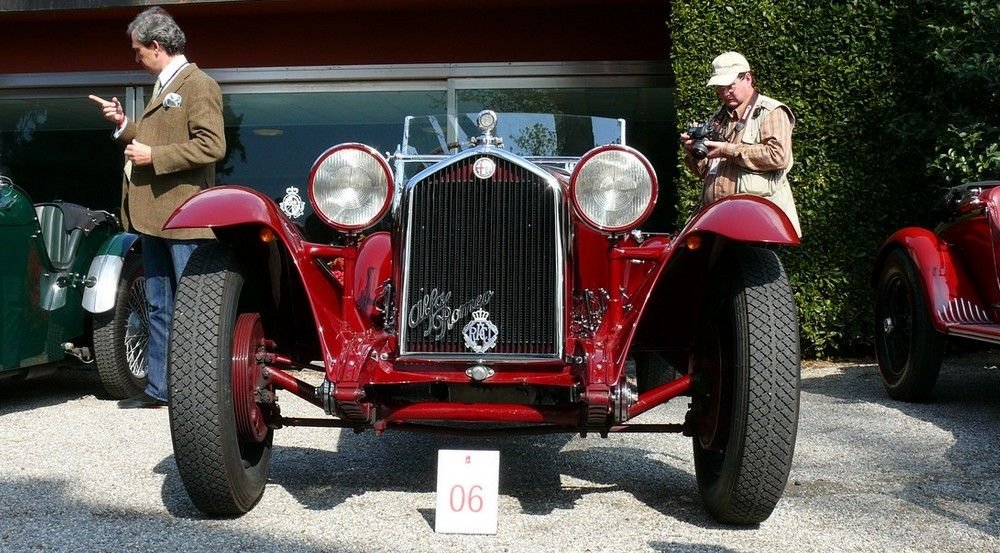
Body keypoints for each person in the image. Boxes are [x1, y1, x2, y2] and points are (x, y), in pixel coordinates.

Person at [89, 7, 225, 408]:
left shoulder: (199, 85)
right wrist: (123, 124)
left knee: (192, 312)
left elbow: (213, 145)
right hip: (155, 219)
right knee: (159, 305)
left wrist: (155, 155)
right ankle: (159, 389)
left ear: (157, 46)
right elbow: (152, 138)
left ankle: (197, 397)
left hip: (185, 219)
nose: (136, 58)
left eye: (137, 51)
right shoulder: (166, 84)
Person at [681, 51, 801, 237]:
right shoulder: (718, 118)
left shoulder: (770, 111)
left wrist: (726, 150)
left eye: (730, 86)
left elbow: (778, 156)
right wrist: (693, 152)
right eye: (720, 88)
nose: (724, 93)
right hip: (716, 220)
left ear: (748, 78)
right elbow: (703, 172)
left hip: (759, 224)